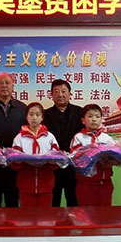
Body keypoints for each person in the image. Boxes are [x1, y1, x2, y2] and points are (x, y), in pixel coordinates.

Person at [0, 72, 27, 207]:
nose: (4, 86)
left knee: (12, 203)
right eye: (0, 83)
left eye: (7, 82)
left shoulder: (23, 109)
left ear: (13, 86)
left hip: (15, 166)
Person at [12, 102, 60, 207]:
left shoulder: (50, 137)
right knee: (28, 214)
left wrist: (53, 161)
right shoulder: (19, 138)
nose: (34, 118)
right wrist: (17, 160)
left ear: (42, 117)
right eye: (31, 114)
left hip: (46, 184)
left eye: (38, 115)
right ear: (26, 117)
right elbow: (15, 161)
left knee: (45, 214)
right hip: (25, 184)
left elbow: (57, 158)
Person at [44, 79, 83, 207]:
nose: (60, 94)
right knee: (53, 202)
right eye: (56, 92)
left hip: (74, 165)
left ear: (70, 93)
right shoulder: (45, 115)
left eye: (63, 91)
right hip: (53, 166)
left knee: (74, 201)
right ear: (51, 95)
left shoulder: (80, 113)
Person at [70, 104, 116, 207]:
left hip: (105, 183)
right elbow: (75, 159)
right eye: (90, 116)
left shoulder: (107, 138)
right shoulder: (78, 137)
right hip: (85, 183)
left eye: (97, 116)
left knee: (105, 213)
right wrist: (92, 153)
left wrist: (113, 159)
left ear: (101, 120)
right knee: (86, 212)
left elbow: (116, 159)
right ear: (83, 120)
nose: (94, 119)